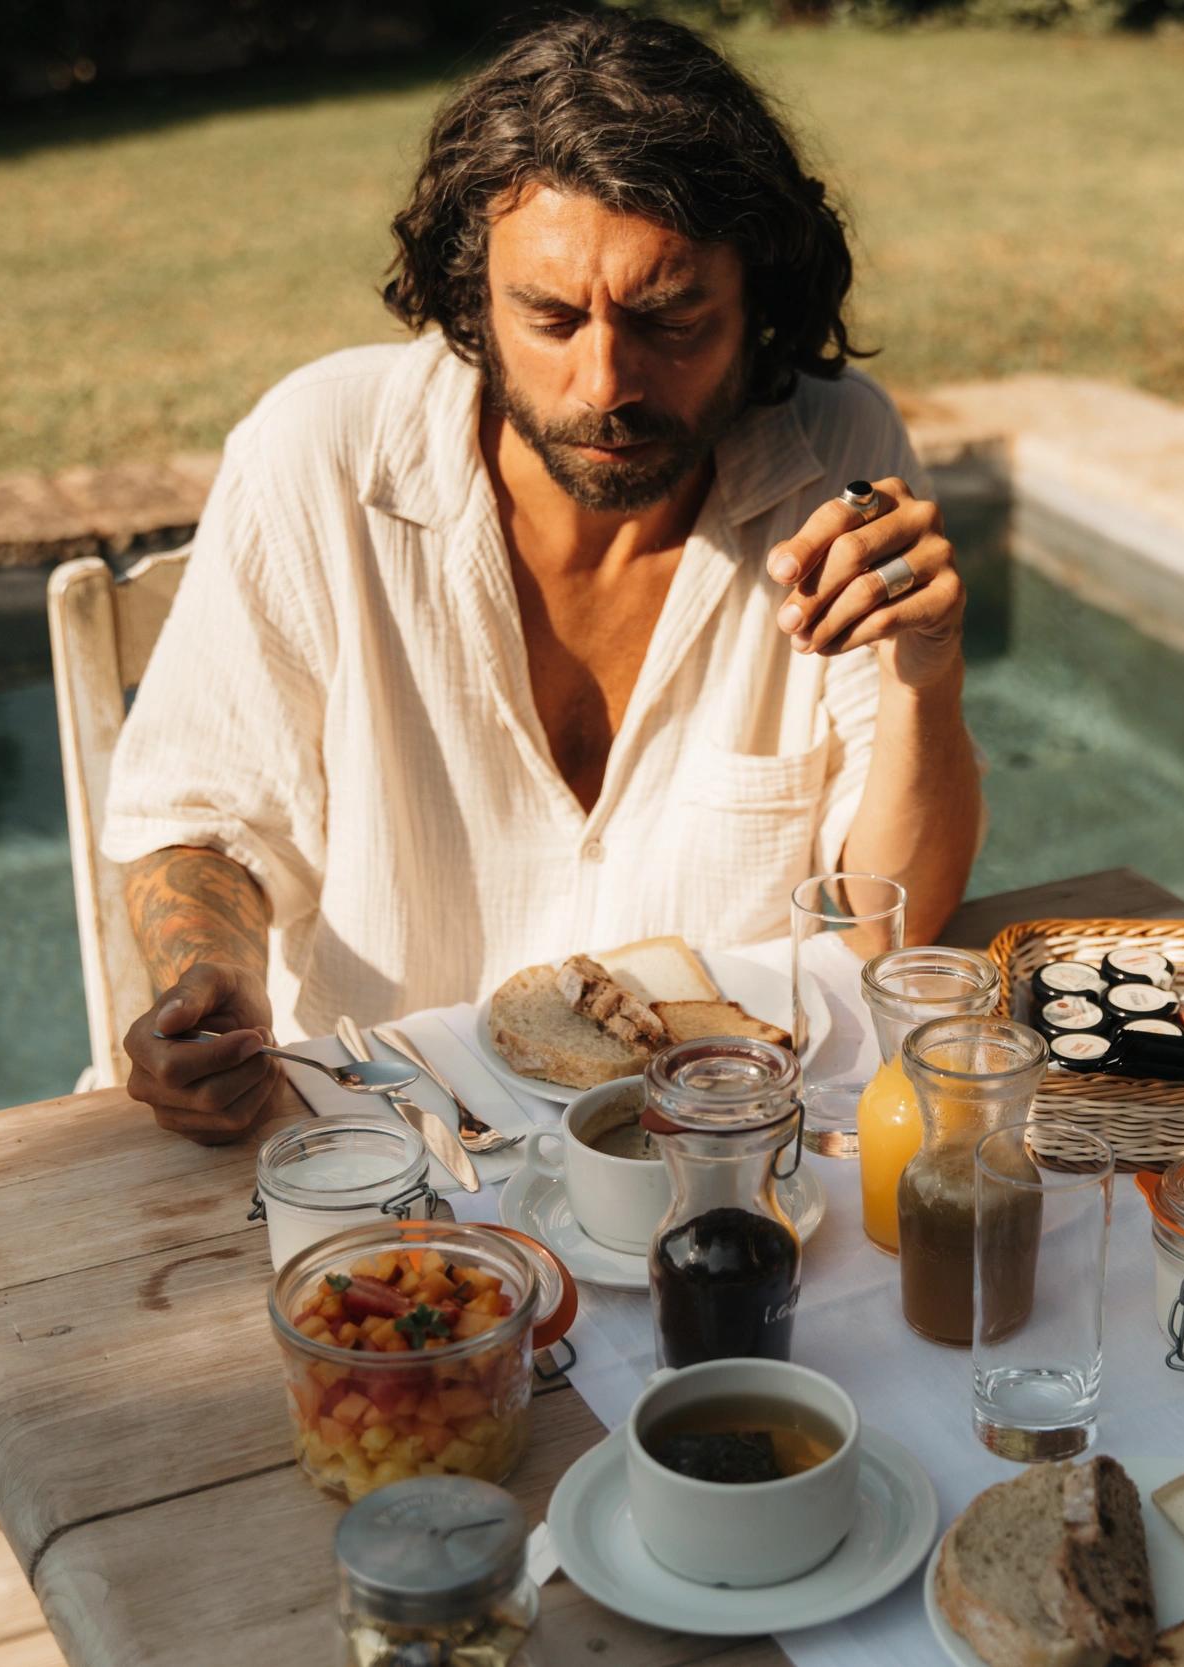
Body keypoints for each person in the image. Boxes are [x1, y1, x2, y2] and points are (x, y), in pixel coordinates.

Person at [103, 12, 982, 1143]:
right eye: (552, 316)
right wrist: (205, 982)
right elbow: (202, 822)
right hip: (390, 1157)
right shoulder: (320, 452)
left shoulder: (839, 461)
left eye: (671, 316)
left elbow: (885, 922)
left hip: (714, 1152)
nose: (605, 380)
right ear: (475, 299)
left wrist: (926, 666)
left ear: (758, 301)